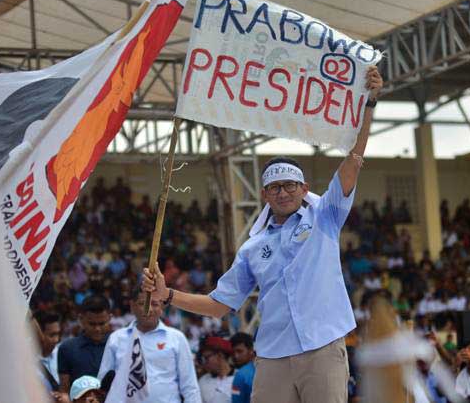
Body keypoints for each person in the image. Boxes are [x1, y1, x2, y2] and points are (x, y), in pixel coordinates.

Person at [142, 66, 383, 403]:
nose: (282, 192)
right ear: (265, 195)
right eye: (274, 187)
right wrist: (169, 295)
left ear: (303, 188)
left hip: (322, 347)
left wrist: (368, 104)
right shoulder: (252, 247)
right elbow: (218, 305)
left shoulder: (326, 215)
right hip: (272, 356)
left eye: (289, 185)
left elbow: (353, 161)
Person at [98, 285, 201, 403]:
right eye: (143, 303)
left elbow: (190, 387)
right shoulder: (116, 339)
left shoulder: (176, 338)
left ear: (162, 307)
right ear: (132, 306)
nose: (149, 309)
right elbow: (103, 383)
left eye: (155, 304)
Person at [58, 295, 111, 396]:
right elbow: (64, 390)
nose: (97, 329)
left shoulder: (119, 347)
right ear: (81, 319)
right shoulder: (67, 349)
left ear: (110, 318)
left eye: (101, 324)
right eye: (92, 324)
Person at [198, 336, 234, 403]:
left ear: (220, 355)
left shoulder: (240, 377)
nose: (205, 362)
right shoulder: (203, 381)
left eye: (206, 358)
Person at [35, 311, 62, 392]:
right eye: (52, 335)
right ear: (38, 334)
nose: (56, 340)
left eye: (58, 334)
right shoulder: (26, 361)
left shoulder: (63, 354)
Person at [230, 333, 256, 403]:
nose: (236, 356)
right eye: (234, 352)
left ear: (251, 350)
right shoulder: (267, 367)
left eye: (239, 351)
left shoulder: (240, 375)